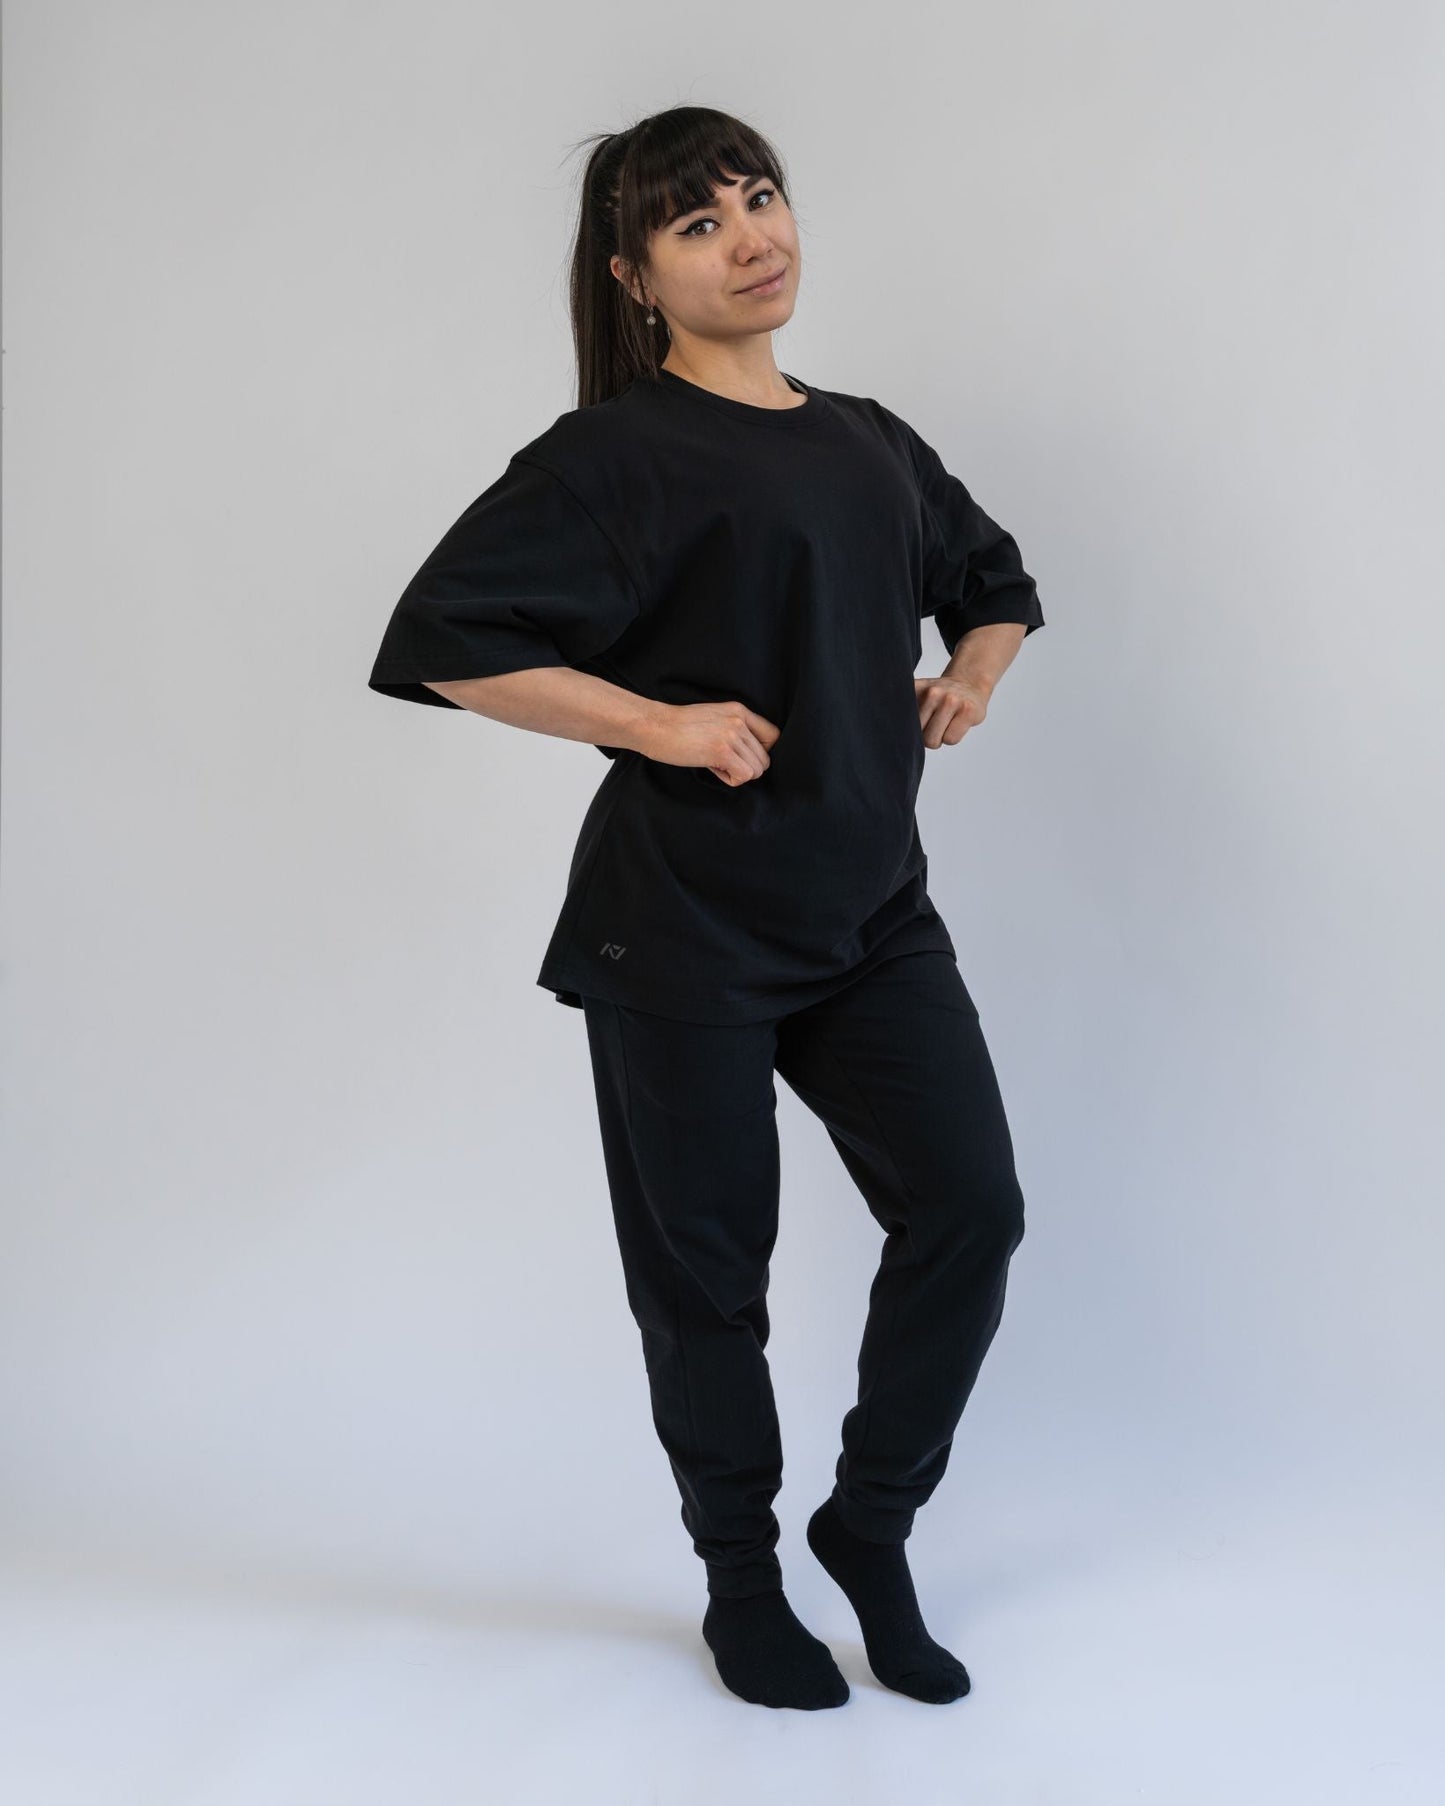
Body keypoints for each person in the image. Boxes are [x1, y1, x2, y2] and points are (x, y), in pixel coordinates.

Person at [368, 105, 1045, 1712]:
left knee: (969, 1209)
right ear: (634, 279)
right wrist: (656, 724)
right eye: (696, 223)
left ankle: (868, 1523)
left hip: (871, 916)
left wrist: (969, 673)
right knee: (706, 1280)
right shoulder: (611, 455)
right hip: (680, 928)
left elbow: (997, 581)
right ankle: (741, 1581)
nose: (750, 236)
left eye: (759, 196)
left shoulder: (866, 438)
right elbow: (441, 635)